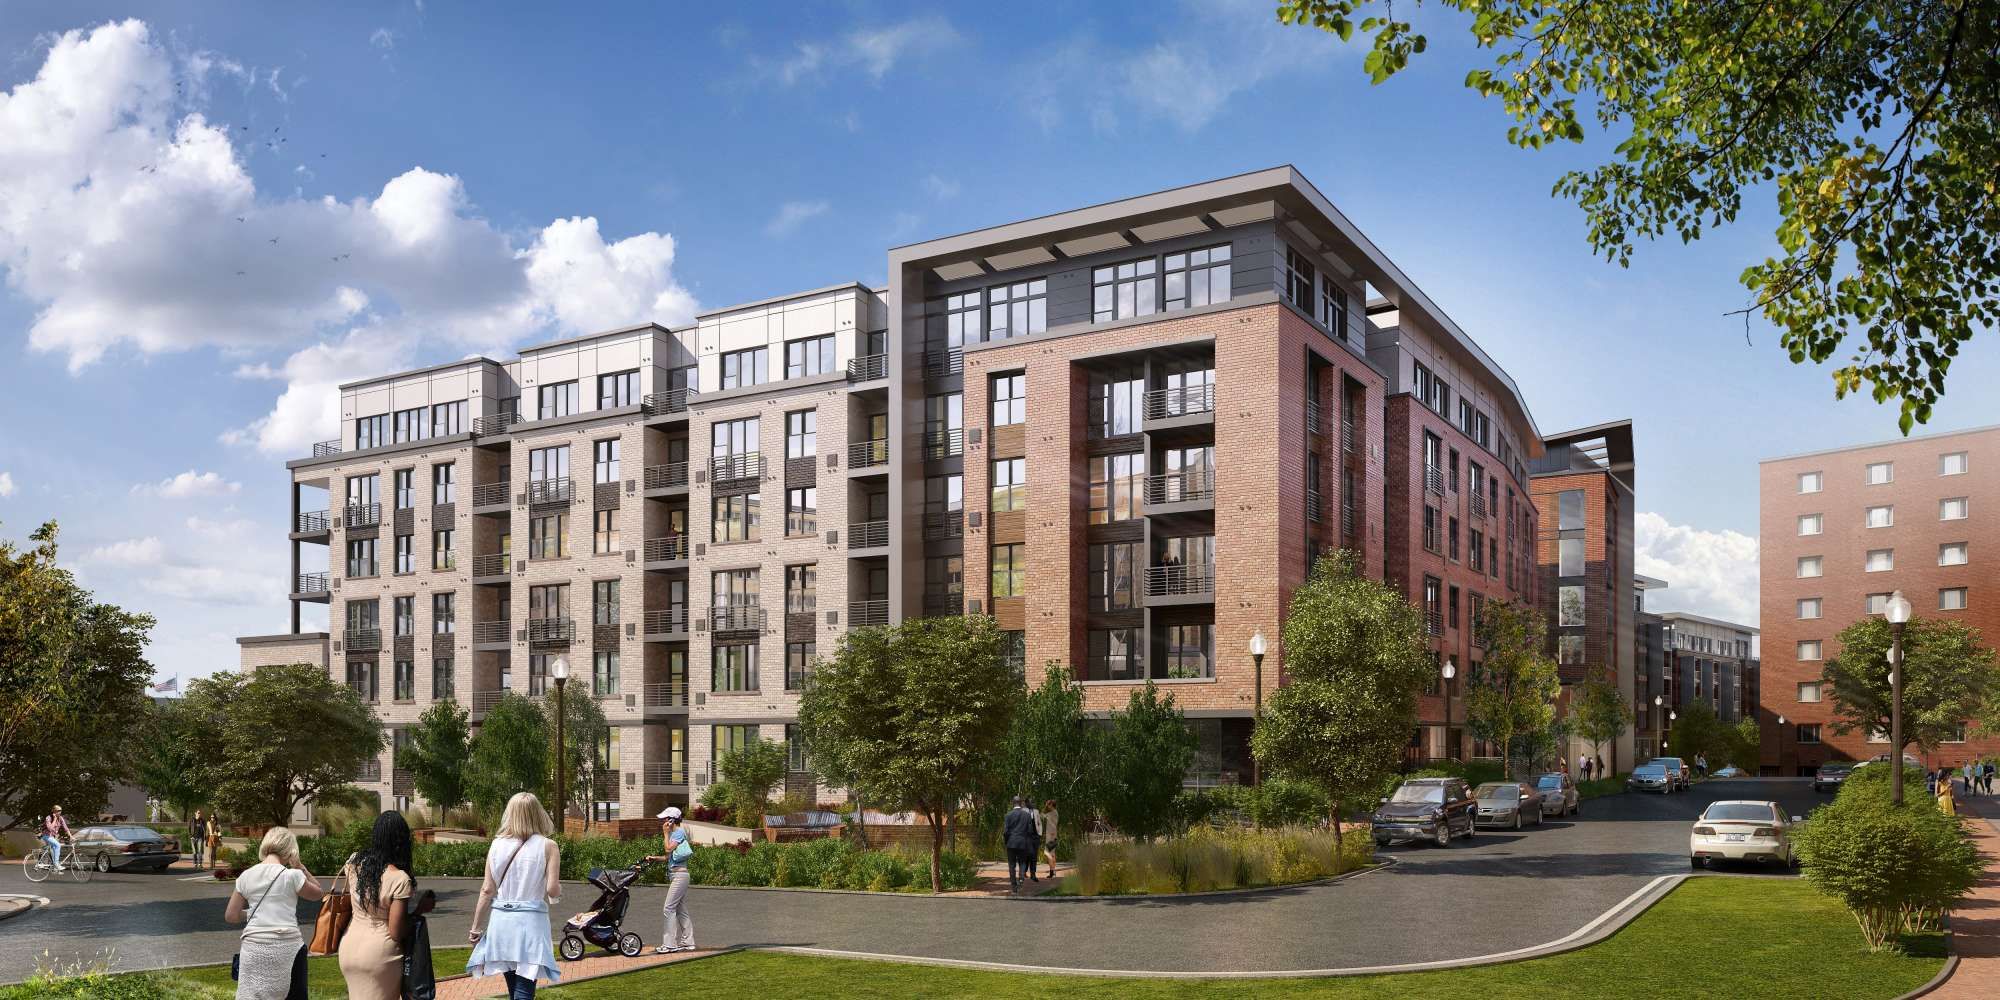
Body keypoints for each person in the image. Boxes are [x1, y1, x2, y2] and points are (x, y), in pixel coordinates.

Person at [468, 793, 563, 998]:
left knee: (514, 987)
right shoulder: (548, 846)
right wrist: (559, 890)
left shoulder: (496, 845)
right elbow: (552, 890)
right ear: (538, 813)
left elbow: (487, 890)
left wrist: (475, 928)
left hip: (501, 922)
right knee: (524, 989)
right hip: (530, 924)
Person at [339, 812, 433, 1000]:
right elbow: (396, 931)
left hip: (349, 948)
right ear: (402, 841)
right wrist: (418, 911)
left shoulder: (354, 862)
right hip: (380, 956)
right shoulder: (400, 879)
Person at [226, 827, 325, 1000]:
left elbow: (231, 916)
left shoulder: (246, 876)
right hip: (289, 946)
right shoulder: (292, 876)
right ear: (291, 850)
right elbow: (318, 893)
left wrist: (250, 914)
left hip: (254, 945)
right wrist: (301, 866)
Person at [646, 806, 696, 955]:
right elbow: (668, 857)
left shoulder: (678, 833)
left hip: (679, 876)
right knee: (680, 910)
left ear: (672, 820)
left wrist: (665, 833)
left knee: (668, 908)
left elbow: (668, 849)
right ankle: (688, 942)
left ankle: (670, 944)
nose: (663, 821)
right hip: (678, 875)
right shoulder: (676, 834)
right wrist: (654, 858)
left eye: (665, 818)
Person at [1002, 797, 1037, 891]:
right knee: (1022, 863)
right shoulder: (1027, 815)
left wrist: (1006, 842)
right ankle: (1021, 879)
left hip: (1011, 843)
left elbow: (1005, 832)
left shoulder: (1008, 815)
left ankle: (1014, 886)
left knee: (1011, 865)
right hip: (1022, 842)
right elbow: (1030, 831)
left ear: (1013, 803)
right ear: (1021, 803)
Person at [39, 806, 71, 872]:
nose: (59, 812)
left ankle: (54, 867)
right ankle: (56, 864)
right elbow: (50, 828)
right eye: (58, 811)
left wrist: (71, 836)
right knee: (57, 845)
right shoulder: (48, 817)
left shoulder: (61, 818)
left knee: (54, 850)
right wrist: (55, 819)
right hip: (46, 836)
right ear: (54, 811)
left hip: (52, 837)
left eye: (60, 811)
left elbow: (65, 828)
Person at [1038, 799, 1060, 881]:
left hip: (1051, 835)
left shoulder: (1052, 813)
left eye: (1048, 804)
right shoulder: (1055, 812)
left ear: (1051, 805)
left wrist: (1042, 810)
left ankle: (1052, 872)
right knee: (1053, 853)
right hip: (1053, 835)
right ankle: (1052, 872)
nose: (1047, 806)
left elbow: (1042, 816)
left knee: (1047, 853)